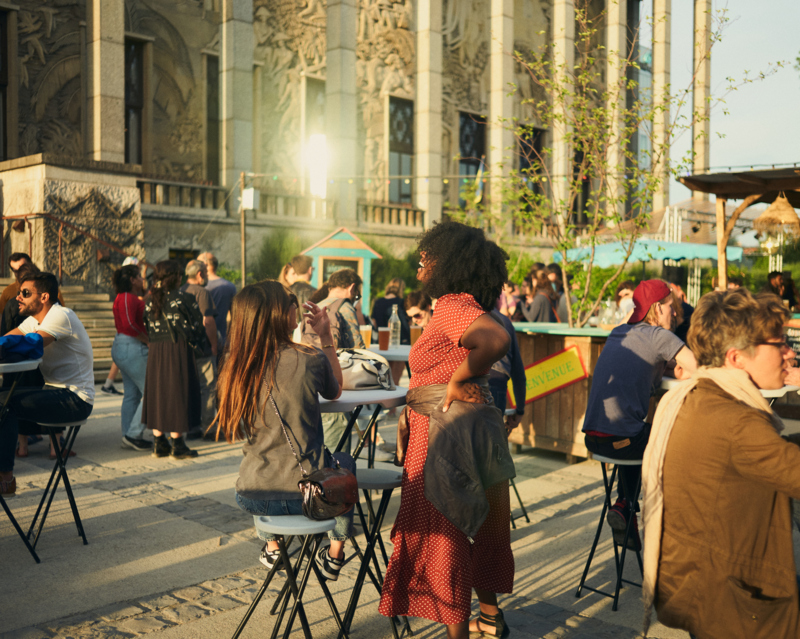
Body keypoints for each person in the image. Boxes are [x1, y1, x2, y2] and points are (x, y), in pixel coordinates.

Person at [379, 221, 515, 639]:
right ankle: (489, 621)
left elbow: (494, 338)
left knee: (445, 531)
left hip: (444, 434)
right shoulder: (462, 303)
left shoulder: (453, 304)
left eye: (429, 254)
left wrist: (456, 381)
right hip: (473, 430)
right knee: (483, 527)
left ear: (449, 261)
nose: (422, 259)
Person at [642, 289, 800, 639]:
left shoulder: (697, 396)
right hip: (732, 601)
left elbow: (772, 455)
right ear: (736, 358)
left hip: (697, 582)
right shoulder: (738, 423)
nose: (790, 353)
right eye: (780, 343)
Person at [214, 281, 354, 578]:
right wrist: (326, 336)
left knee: (262, 468)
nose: (296, 305)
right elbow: (336, 391)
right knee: (346, 462)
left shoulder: (233, 365)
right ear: (277, 313)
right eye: (291, 300)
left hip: (253, 495)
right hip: (308, 495)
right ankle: (334, 553)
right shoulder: (309, 358)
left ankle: (273, 545)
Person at [582, 279, 697, 550]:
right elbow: (700, 368)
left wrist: (671, 368)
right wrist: (678, 369)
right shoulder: (661, 337)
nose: (676, 313)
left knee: (640, 433)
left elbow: (654, 365)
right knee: (669, 441)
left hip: (594, 439)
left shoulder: (619, 333)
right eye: (671, 307)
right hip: (623, 442)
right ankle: (671, 522)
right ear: (657, 308)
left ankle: (625, 507)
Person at [0, 272, 94, 496]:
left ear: (44, 297)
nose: (18, 298)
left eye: (25, 293)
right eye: (18, 293)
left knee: (5, 405)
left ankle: (6, 479)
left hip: (76, 398)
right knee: (2, 398)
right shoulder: (34, 320)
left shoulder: (61, 315)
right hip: (53, 391)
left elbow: (32, 344)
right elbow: (7, 340)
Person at [142, 260, 204, 459]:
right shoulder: (184, 298)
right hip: (178, 349)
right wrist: (200, 344)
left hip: (156, 351)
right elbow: (197, 326)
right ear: (175, 277)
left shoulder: (150, 300)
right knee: (178, 391)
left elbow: (146, 324)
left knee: (158, 391)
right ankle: (177, 444)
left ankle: (159, 443)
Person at [110, 264, 150, 451]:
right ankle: (133, 434)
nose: (143, 280)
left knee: (132, 395)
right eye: (140, 277)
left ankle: (129, 434)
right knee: (152, 391)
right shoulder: (127, 297)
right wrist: (147, 340)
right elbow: (129, 325)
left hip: (126, 346)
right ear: (132, 280)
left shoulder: (127, 297)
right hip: (131, 346)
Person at [181, 260, 218, 436]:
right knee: (208, 387)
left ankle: (190, 426)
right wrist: (214, 345)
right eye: (206, 273)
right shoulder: (202, 293)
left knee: (189, 388)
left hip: (183, 348)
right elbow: (208, 321)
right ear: (200, 274)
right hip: (202, 348)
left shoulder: (180, 291)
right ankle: (208, 427)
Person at [488, 309, 527, 434]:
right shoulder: (504, 321)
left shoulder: (464, 316)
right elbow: (518, 373)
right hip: (497, 382)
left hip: (469, 383)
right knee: (493, 444)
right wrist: (520, 409)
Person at [197, 252, 237, 354]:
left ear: (205, 264)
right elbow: (235, 317)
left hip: (202, 342)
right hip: (223, 340)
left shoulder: (199, 287)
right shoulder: (230, 286)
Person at [372, 278, 410, 381]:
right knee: (395, 380)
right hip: (400, 344)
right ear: (401, 289)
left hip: (382, 344)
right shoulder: (402, 302)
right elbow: (408, 323)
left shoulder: (378, 302)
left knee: (384, 379)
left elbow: (374, 323)